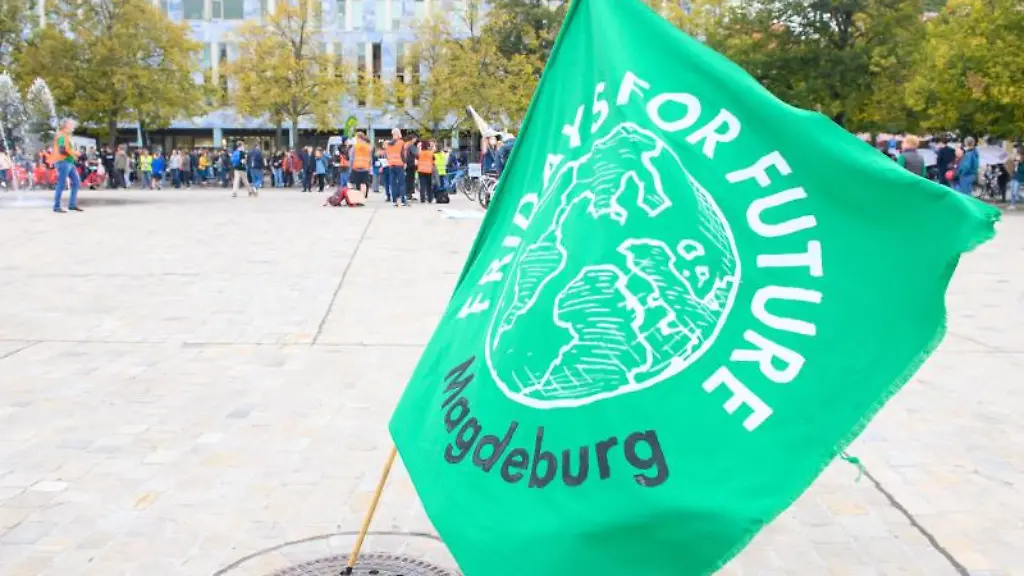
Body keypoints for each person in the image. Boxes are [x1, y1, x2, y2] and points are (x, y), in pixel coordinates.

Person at [51, 119, 83, 213]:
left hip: (68, 162)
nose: (73, 126)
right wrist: (75, 153)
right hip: (63, 161)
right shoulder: (62, 135)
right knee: (61, 183)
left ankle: (72, 204)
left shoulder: (65, 135)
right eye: (71, 124)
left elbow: (64, 149)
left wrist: (73, 155)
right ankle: (57, 206)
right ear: (65, 125)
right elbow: (62, 150)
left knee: (76, 181)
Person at [348, 131, 373, 206]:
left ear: (359, 138)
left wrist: (350, 167)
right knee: (363, 184)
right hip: (365, 168)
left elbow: (351, 158)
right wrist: (369, 167)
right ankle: (362, 200)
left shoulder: (355, 147)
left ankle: (356, 199)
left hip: (356, 168)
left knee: (351, 183)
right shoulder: (368, 147)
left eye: (356, 138)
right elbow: (370, 158)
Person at [385, 129, 408, 206]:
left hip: (391, 164)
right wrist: (405, 163)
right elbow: (403, 154)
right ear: (398, 134)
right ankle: (403, 200)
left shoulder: (388, 144)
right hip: (399, 164)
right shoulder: (401, 142)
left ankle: (394, 199)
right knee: (401, 183)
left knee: (393, 183)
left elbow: (387, 155)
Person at [404, 135, 419, 201]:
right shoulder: (411, 145)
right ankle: (409, 194)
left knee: (407, 180)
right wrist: (418, 148)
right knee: (410, 180)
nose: (416, 140)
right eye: (415, 139)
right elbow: (416, 153)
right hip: (411, 164)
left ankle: (408, 194)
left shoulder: (405, 145)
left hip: (406, 164)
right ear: (412, 139)